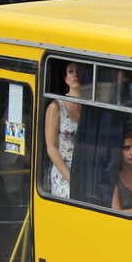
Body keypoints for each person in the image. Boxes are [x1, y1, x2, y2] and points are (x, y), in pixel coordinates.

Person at [44, 61, 83, 198]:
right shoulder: (56, 106)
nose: (75, 74)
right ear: (66, 79)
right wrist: (69, 178)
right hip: (64, 173)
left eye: (78, 70)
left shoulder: (90, 107)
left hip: (85, 172)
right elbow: (51, 147)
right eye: (71, 71)